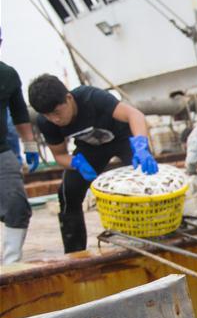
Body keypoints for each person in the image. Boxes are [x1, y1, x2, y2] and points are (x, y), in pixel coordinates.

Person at [28, 74, 158, 253]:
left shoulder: (91, 97)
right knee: (68, 191)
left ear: (68, 98)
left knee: (148, 179)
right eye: (48, 115)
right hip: (90, 147)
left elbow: (134, 115)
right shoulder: (47, 122)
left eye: (57, 112)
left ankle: (158, 231)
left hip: (122, 138)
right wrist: (76, 163)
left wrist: (141, 147)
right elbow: (59, 155)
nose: (55, 119)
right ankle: (75, 250)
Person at [1, 55, 39, 264]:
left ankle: (10, 265)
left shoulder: (7, 74)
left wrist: (30, 145)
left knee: (17, 206)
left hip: (1, 151)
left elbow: (19, 113)